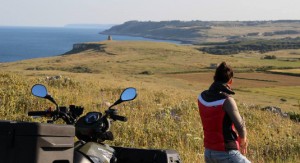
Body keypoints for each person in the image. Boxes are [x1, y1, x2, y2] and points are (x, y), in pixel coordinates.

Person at [197, 62, 251, 163]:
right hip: (227, 153)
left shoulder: (201, 97)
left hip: (208, 152)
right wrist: (243, 142)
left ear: (214, 77)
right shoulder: (226, 101)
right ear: (230, 81)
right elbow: (240, 126)